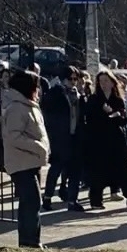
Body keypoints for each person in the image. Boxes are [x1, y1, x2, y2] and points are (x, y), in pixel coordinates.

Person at [1, 70, 50, 249]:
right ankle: (30, 241)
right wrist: (38, 146)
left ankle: (30, 240)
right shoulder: (16, 108)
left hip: (32, 161)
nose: (38, 89)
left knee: (30, 202)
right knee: (32, 201)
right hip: (21, 162)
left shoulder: (29, 105)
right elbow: (13, 137)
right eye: (35, 85)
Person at [83, 69, 127, 210]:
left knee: (123, 168)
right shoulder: (94, 99)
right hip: (99, 140)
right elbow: (90, 119)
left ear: (112, 83)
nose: (103, 84)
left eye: (106, 81)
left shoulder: (118, 99)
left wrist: (113, 114)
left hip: (116, 140)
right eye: (101, 81)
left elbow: (123, 120)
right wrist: (104, 114)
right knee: (99, 169)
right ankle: (96, 200)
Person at [40, 65, 84, 209]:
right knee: (56, 169)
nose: (73, 81)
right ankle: (47, 197)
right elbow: (47, 112)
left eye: (75, 79)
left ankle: (72, 200)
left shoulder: (78, 95)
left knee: (74, 171)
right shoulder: (55, 93)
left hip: (74, 137)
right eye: (70, 79)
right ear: (63, 79)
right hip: (59, 137)